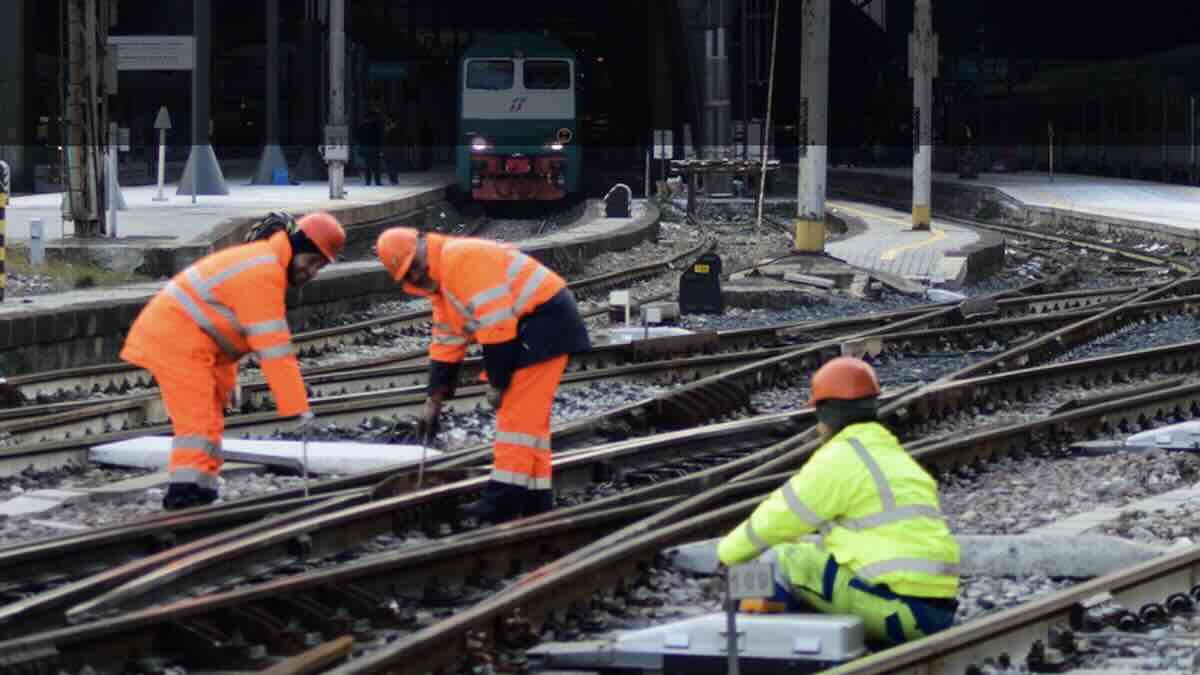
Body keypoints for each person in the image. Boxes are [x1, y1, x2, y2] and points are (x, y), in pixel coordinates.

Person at [717, 356, 960, 646]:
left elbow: (779, 517)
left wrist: (727, 555)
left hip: (900, 610)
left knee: (781, 561)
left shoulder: (841, 457)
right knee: (812, 552)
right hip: (934, 610)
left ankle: (759, 651)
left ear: (827, 415)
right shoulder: (892, 455)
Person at [121, 212, 346, 510]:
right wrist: (297, 407)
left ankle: (201, 490)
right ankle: (184, 496)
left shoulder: (266, 264)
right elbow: (274, 348)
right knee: (197, 421)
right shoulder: (264, 272)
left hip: (193, 341)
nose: (312, 272)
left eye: (320, 266)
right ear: (296, 248)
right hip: (177, 339)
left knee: (209, 417)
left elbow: (230, 331)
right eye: (312, 261)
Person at [375, 228, 591, 522]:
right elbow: (447, 343)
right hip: (540, 323)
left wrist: (498, 384)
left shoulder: (459, 260)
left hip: (543, 322)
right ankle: (535, 501)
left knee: (516, 421)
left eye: (415, 266)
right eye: (408, 274)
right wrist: (433, 401)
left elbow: (497, 328)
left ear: (424, 247)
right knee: (531, 427)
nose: (416, 276)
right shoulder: (444, 288)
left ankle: (501, 504)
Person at [358, 109, 384, 186]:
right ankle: (377, 181)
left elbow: (358, 138)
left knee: (367, 166)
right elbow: (379, 138)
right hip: (375, 149)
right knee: (376, 166)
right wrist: (380, 149)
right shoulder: (375, 126)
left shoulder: (362, 127)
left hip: (366, 149)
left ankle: (368, 181)